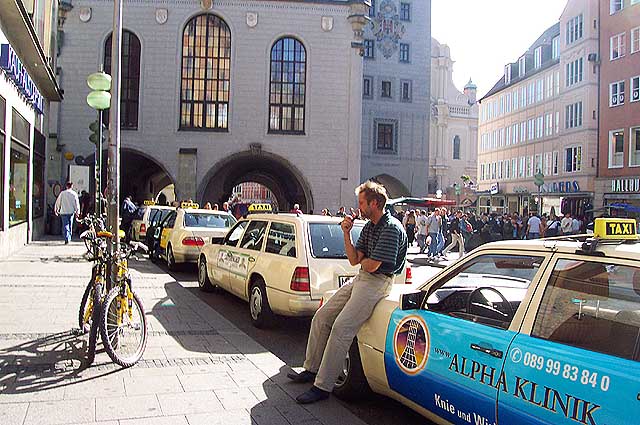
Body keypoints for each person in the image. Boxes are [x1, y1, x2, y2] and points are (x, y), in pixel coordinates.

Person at [288, 181, 407, 404]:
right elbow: (355, 260)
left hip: (377, 282)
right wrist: (346, 232)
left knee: (342, 328)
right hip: (362, 278)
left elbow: (372, 266)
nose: (359, 207)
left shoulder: (391, 227)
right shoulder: (370, 225)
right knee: (322, 317)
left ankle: (322, 386)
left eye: (362, 202)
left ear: (374, 203)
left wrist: (364, 260)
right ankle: (311, 369)